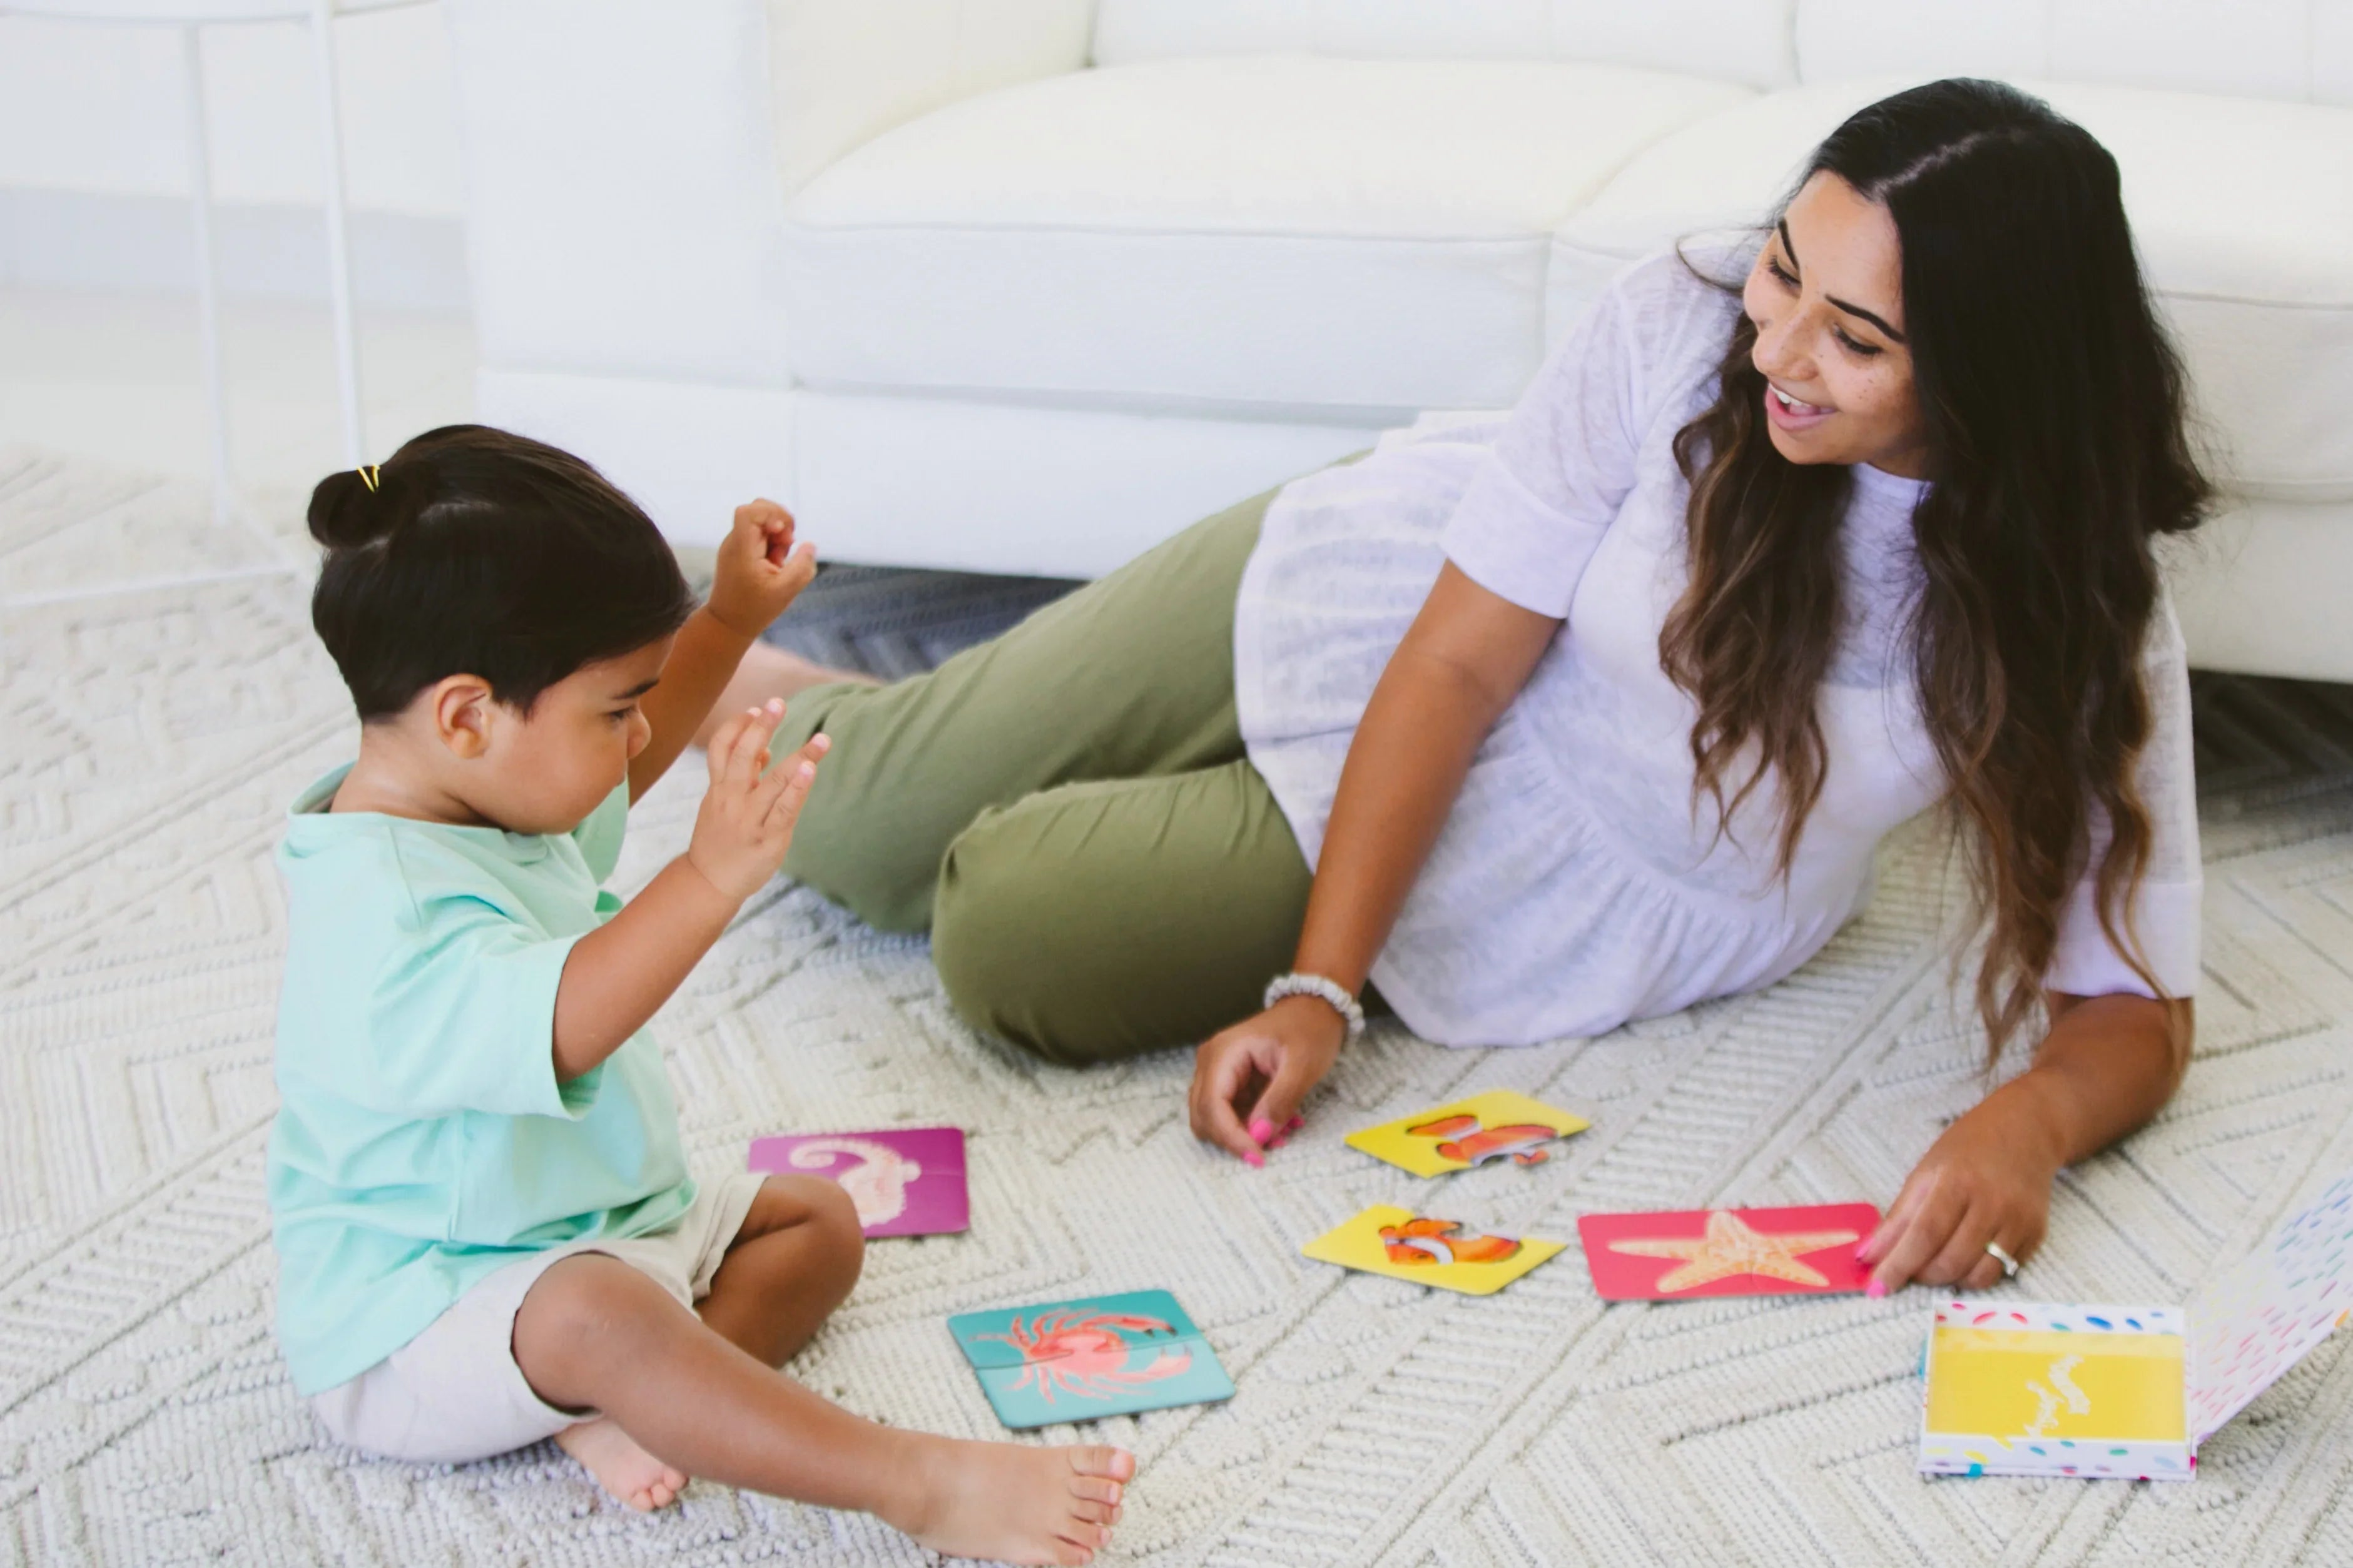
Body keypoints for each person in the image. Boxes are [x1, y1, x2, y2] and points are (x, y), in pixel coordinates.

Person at [725, 79, 2208, 1297]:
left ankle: (980, 726)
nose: (1776, 347)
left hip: (1573, 858)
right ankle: (804, 683)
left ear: (2000, 378)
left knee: (1010, 935)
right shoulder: (1682, 331)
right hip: (1395, 599)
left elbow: (2133, 1002)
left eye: (1855, 337)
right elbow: (1458, 651)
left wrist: (2028, 1124)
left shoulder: (2077, 598)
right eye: (1782, 270)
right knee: (855, 822)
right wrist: (1318, 988)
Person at [269, 426, 1131, 1566]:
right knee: (598, 1319)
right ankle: (916, 1483)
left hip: (599, 1230)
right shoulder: (382, 915)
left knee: (815, 1222)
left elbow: (615, 761)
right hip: (426, 1315)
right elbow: (571, 1018)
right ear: (468, 716)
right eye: (614, 710)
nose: (642, 740)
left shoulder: (484, 790)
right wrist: (707, 875)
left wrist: (725, 622)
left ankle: (621, 1401)